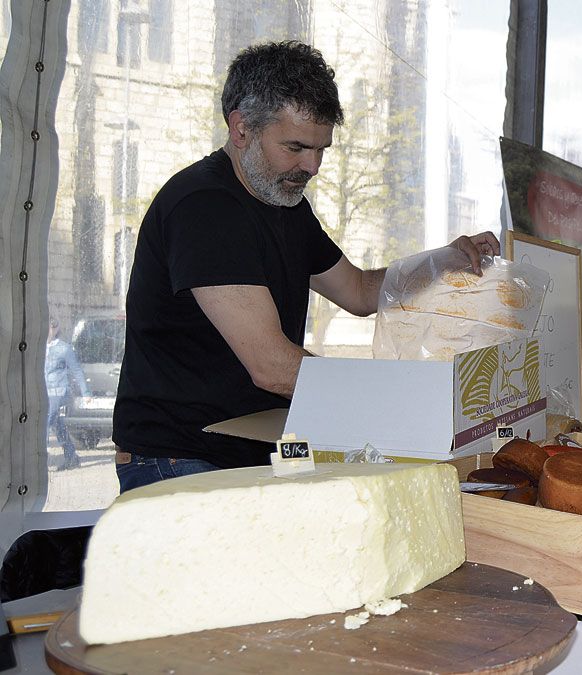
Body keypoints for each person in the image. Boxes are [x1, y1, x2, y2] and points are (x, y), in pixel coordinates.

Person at [112, 41, 498, 493]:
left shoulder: (284, 203)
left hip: (248, 446)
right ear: (241, 129)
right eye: (295, 147)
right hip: (180, 458)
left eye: (320, 149)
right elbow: (273, 366)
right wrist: (398, 400)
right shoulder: (205, 208)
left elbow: (357, 291)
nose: (311, 166)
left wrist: (445, 261)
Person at [45, 318, 91, 471]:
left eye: (50, 328)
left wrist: (86, 393)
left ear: (56, 329)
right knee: (58, 425)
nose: (47, 331)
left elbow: (76, 370)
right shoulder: (39, 348)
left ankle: (40, 456)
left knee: (46, 420)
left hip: (58, 391)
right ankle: (72, 457)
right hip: (44, 391)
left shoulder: (64, 349)